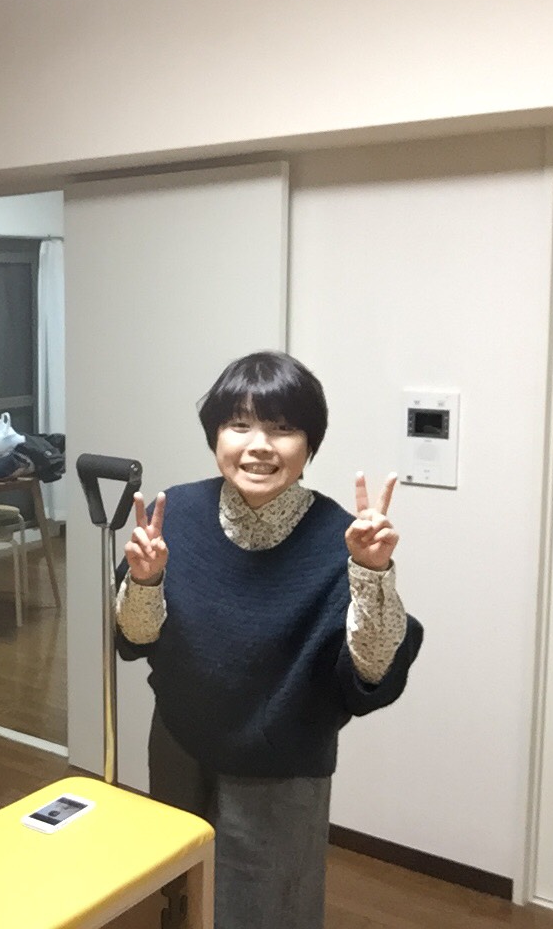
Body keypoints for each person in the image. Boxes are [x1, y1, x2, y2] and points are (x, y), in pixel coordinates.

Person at [116, 350, 423, 929]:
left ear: (308, 444)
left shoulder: (342, 538)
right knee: (177, 896)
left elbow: (373, 670)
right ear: (216, 436)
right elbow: (135, 635)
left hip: (282, 765)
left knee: (267, 910)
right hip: (178, 744)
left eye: (282, 428)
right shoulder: (175, 514)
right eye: (239, 425)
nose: (259, 446)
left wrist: (372, 573)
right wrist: (146, 579)